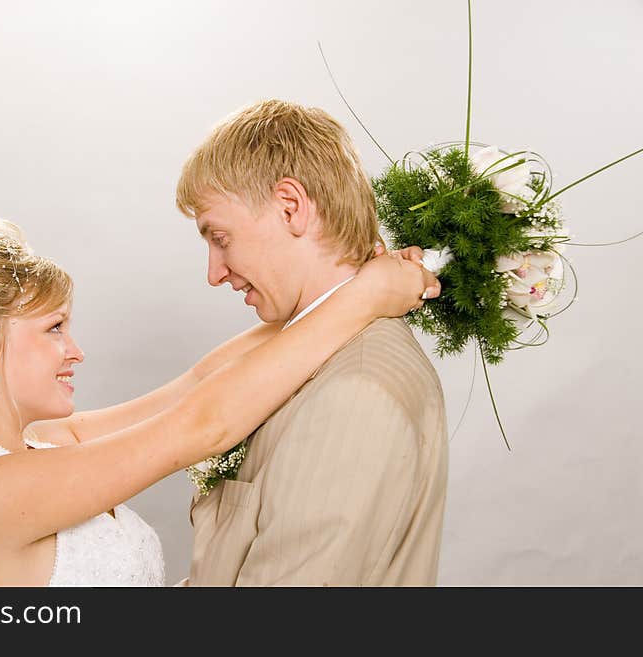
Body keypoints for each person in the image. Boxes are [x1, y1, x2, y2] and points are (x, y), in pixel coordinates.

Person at [0, 215, 437, 586]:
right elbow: (202, 425)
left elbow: (195, 385)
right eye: (54, 328)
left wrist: (342, 287)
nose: (76, 351)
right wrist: (365, 299)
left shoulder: (43, 447)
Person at [171, 99, 450, 586]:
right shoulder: (311, 350)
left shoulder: (355, 394)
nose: (214, 273)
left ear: (290, 207)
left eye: (220, 237)